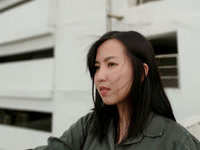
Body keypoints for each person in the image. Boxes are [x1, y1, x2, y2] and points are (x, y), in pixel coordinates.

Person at [31, 30, 200, 150]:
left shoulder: (177, 142)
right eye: (96, 67)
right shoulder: (90, 125)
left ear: (141, 72)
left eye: (111, 64)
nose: (99, 76)